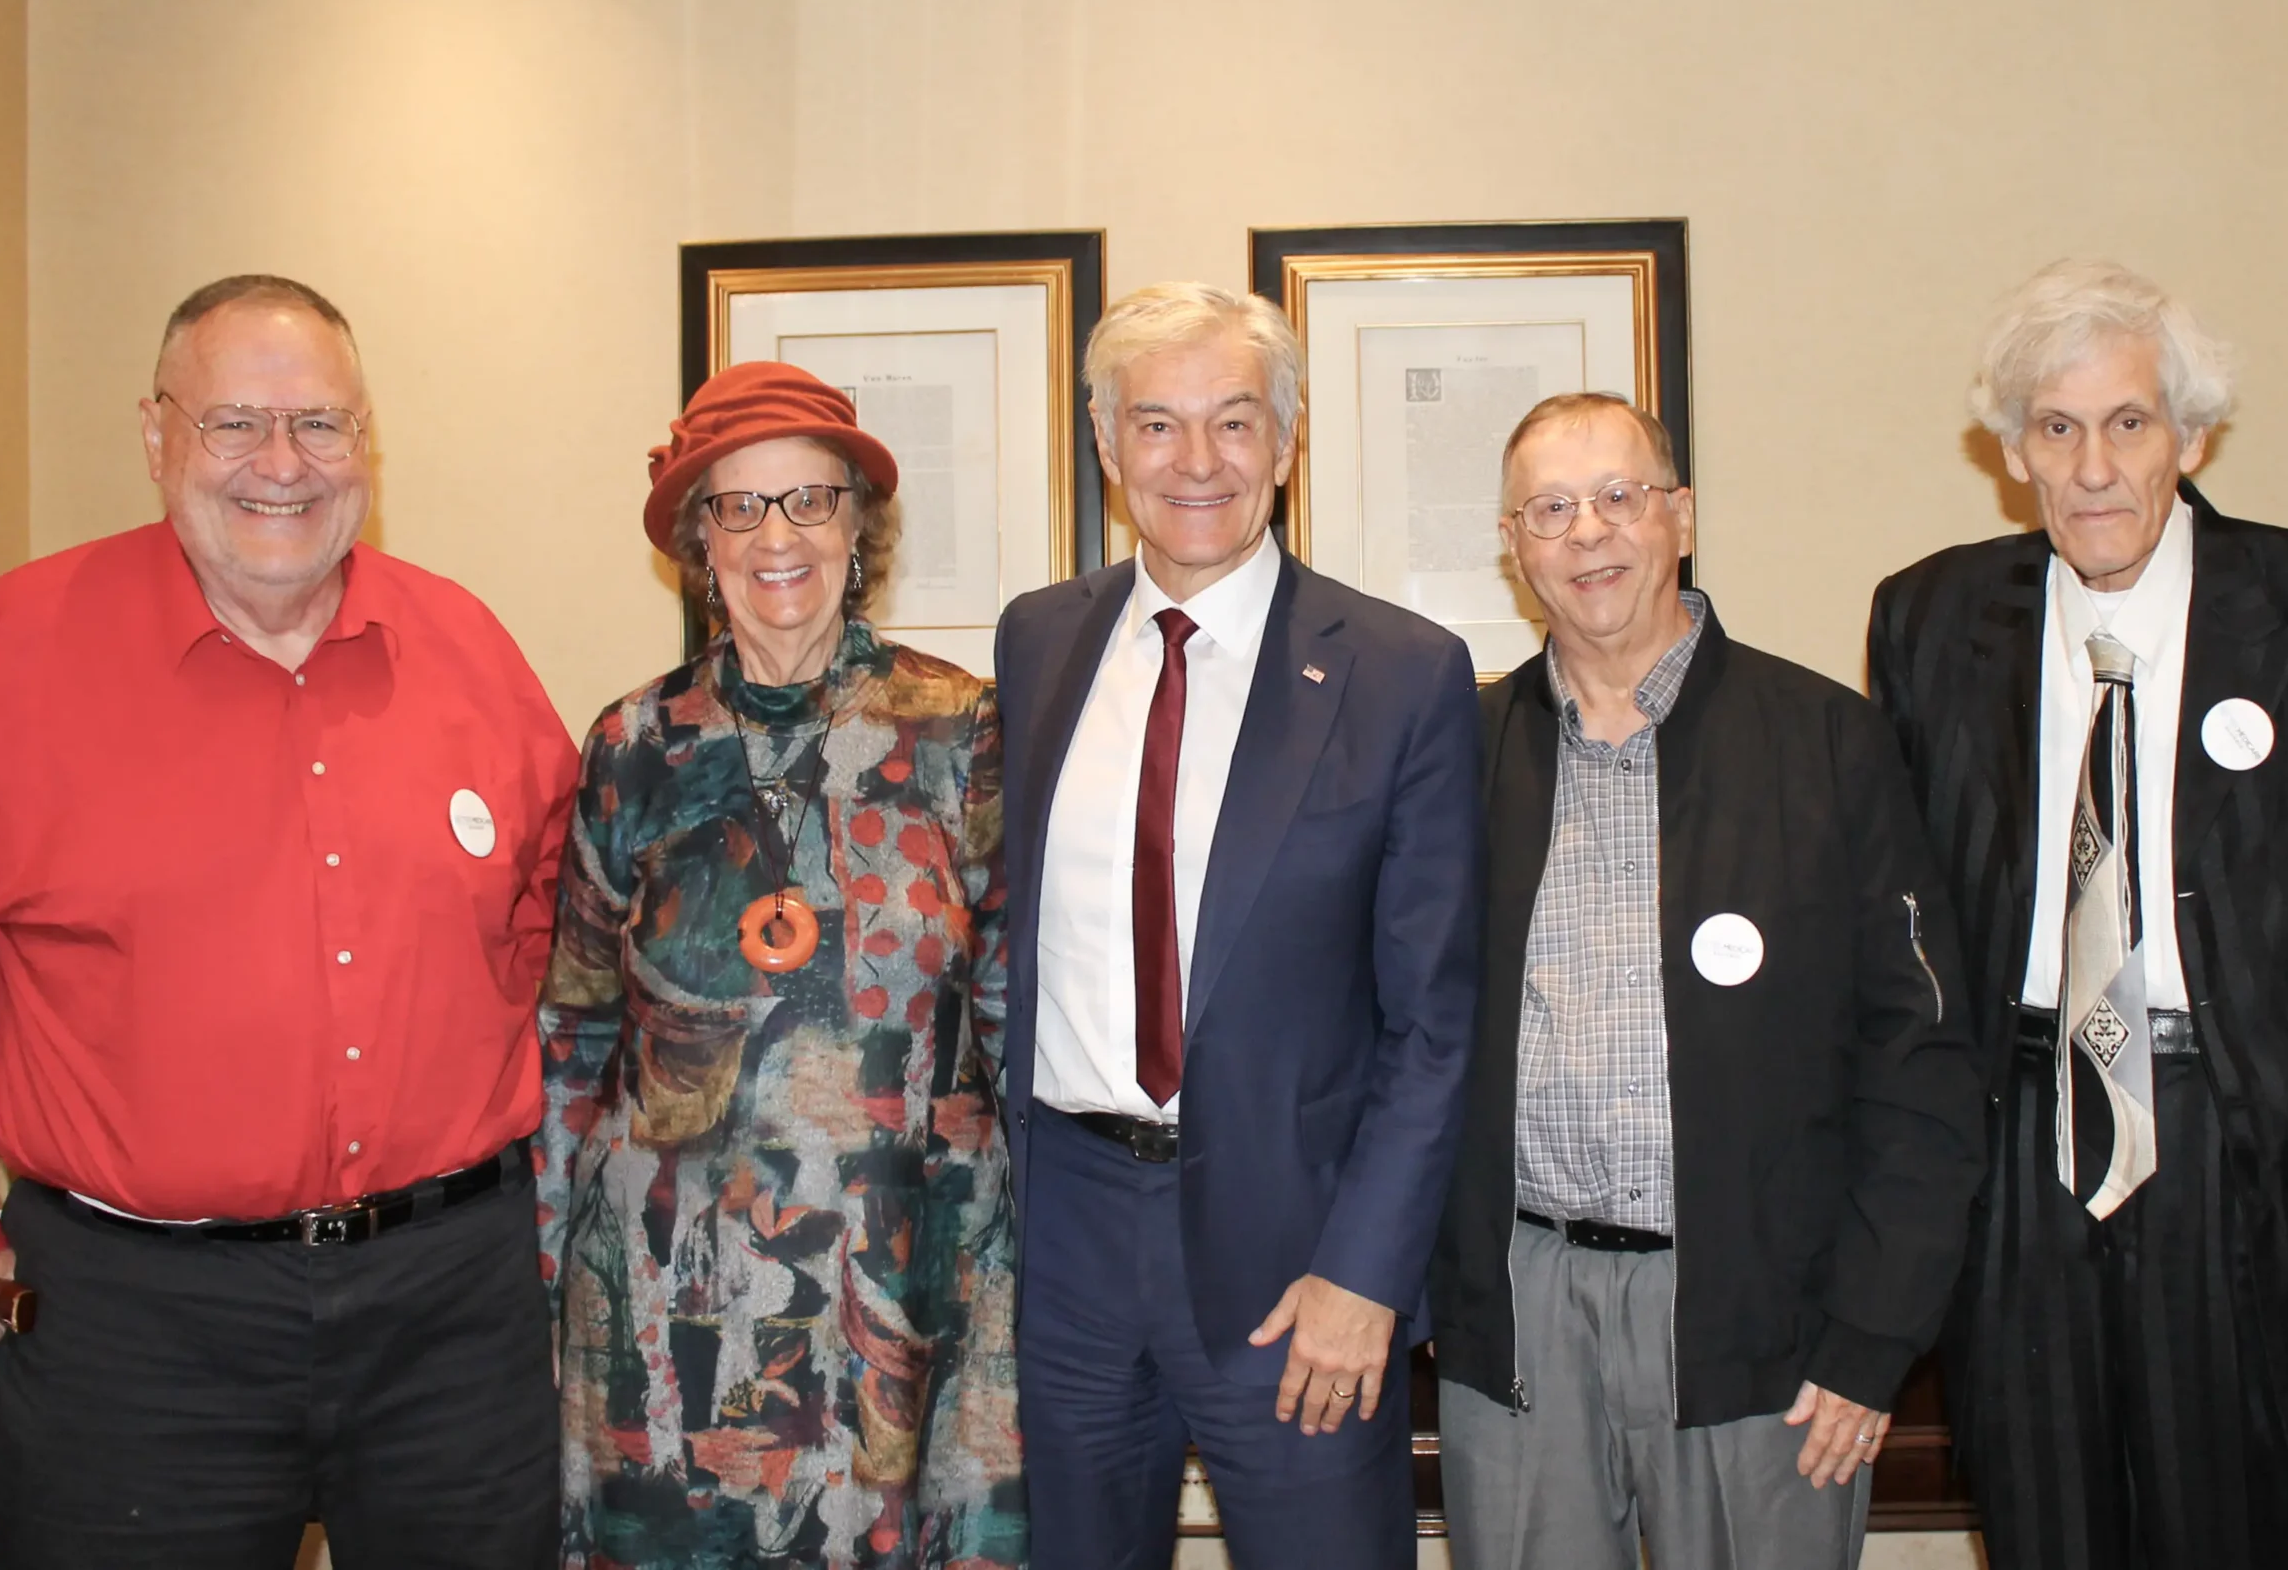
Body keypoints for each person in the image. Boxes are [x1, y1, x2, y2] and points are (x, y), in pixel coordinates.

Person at [0, 275, 579, 1567]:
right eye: (235, 423)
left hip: (449, 1314)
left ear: (369, 444)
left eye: (321, 424)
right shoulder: (13, 651)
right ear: (156, 436)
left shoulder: (468, 648)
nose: (282, 466)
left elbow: (534, 930)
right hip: (135, 1324)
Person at [1867, 259, 2288, 1568]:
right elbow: (1901, 939)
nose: (2094, 464)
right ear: (2012, 454)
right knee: (2046, 1528)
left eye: (2129, 423)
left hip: (2251, 1166)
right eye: (2056, 428)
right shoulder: (1930, 619)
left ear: (2194, 438)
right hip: (2022, 1164)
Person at [1427, 392, 1983, 1568]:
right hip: (1520, 1311)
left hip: (1760, 1320)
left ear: (1678, 514)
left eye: (1620, 497)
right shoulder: (1454, 755)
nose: (1589, 535)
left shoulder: (1827, 741)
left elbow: (1920, 1058)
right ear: (1513, 544)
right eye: (1551, 509)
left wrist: (1873, 1336)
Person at [993, 282, 1481, 1570]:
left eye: (1232, 422)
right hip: (1067, 1245)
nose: (1195, 462)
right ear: (1106, 447)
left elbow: (1434, 1022)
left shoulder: (1400, 671)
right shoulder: (1037, 640)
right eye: (1155, 425)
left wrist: (1367, 1275)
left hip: (1296, 1264)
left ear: (1286, 439)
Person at [537, 360, 1023, 1569]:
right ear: (698, 535)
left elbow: (1015, 1016)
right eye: (739, 506)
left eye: (808, 500)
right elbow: (573, 1040)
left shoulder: (962, 726)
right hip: (668, 1297)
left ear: (858, 523)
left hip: (910, 1285)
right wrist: (547, 1284)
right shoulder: (631, 747)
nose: (775, 536)